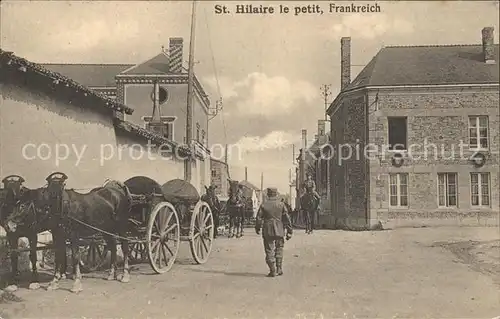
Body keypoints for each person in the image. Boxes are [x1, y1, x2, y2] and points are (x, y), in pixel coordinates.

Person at [255, 187, 293, 277]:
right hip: (279, 229)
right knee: (279, 248)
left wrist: (257, 228)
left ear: (268, 194)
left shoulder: (264, 205)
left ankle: (272, 270)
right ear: (276, 194)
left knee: (269, 250)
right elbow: (287, 218)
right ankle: (279, 269)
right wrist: (289, 231)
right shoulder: (281, 204)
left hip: (267, 230)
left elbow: (259, 218)